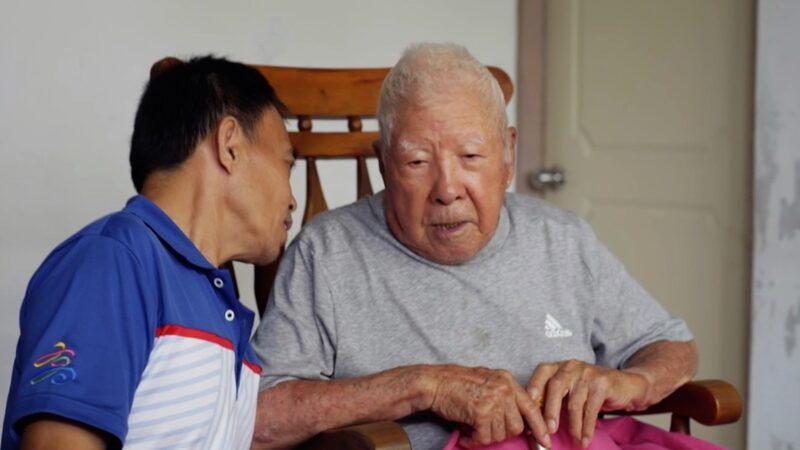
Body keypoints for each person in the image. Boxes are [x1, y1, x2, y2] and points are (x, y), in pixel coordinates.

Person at [250, 43, 698, 450]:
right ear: (384, 164)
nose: (447, 189)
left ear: (508, 155)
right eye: (417, 161)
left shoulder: (560, 239)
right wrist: (421, 386)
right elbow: (260, 418)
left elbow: (669, 344)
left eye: (470, 156)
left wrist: (632, 383)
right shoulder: (326, 255)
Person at [2, 56, 296, 449]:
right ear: (229, 146)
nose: (292, 200)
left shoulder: (218, 306)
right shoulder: (112, 262)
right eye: (285, 165)